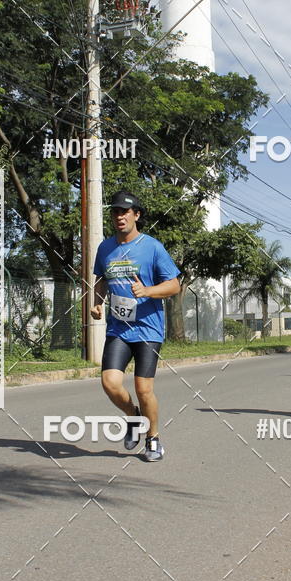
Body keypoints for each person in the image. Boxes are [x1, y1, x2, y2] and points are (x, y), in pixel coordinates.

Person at [91, 190, 181, 462]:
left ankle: (153, 439)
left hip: (148, 329)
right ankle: (133, 417)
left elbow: (174, 284)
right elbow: (101, 280)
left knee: (143, 389)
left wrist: (148, 291)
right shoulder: (105, 248)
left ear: (136, 215)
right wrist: (96, 303)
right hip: (119, 328)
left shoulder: (152, 247)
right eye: (116, 212)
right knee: (110, 383)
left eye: (125, 212)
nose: (120, 217)